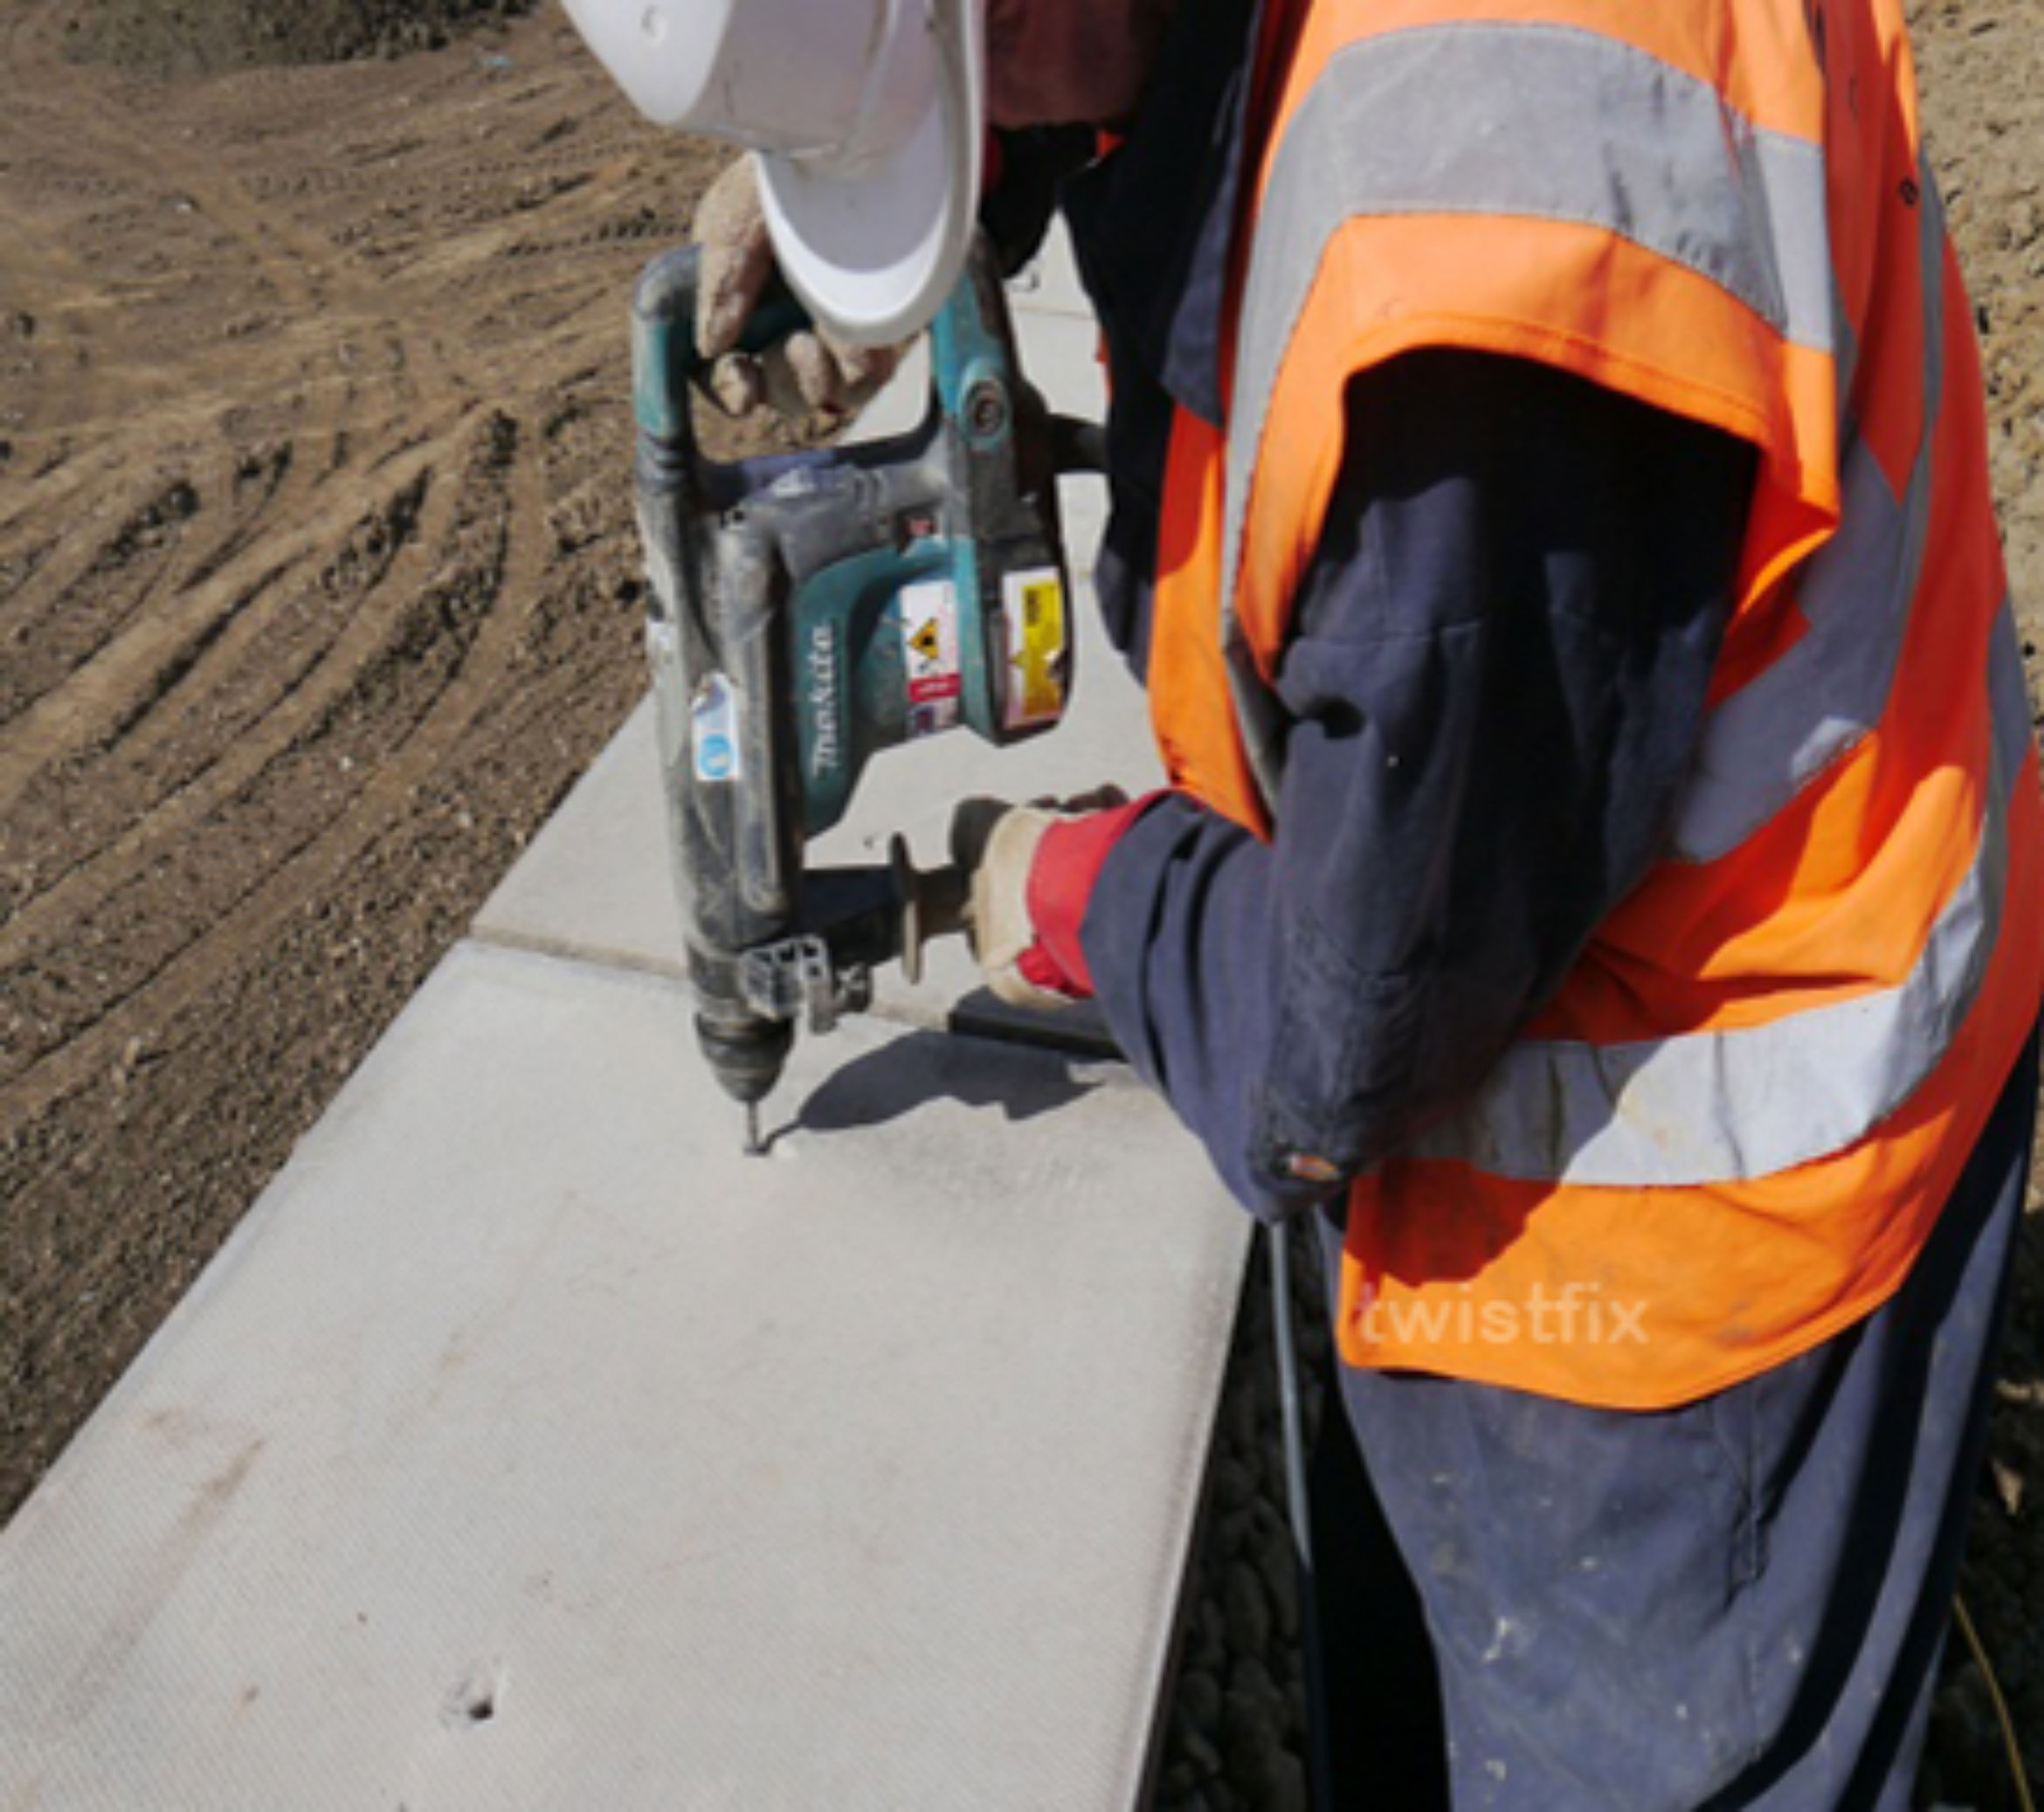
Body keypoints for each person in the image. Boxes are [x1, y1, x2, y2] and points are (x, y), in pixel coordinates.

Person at [563, 0, 2044, 1803]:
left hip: (1716, 1206)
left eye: (981, 64)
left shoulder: (1472, 300)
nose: (1000, 96)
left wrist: (1087, 888)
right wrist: (951, 175)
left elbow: (1347, 1040)